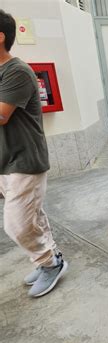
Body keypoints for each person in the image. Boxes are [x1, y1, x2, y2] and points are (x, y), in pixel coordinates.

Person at [0, 10, 68, 297]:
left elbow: (2, 115)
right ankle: (50, 259)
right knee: (33, 216)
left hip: (24, 159)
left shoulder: (16, 71)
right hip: (7, 160)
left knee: (17, 223)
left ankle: (49, 263)